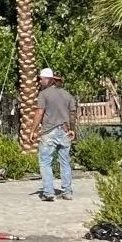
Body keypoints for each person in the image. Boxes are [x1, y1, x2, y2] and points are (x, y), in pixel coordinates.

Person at [37, 67, 78, 201]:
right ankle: (67, 192)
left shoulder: (43, 94)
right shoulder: (68, 95)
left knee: (45, 162)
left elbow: (39, 113)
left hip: (49, 131)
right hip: (65, 130)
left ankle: (49, 193)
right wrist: (72, 130)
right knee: (65, 162)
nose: (39, 81)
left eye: (41, 78)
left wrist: (32, 130)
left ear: (48, 80)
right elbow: (72, 114)